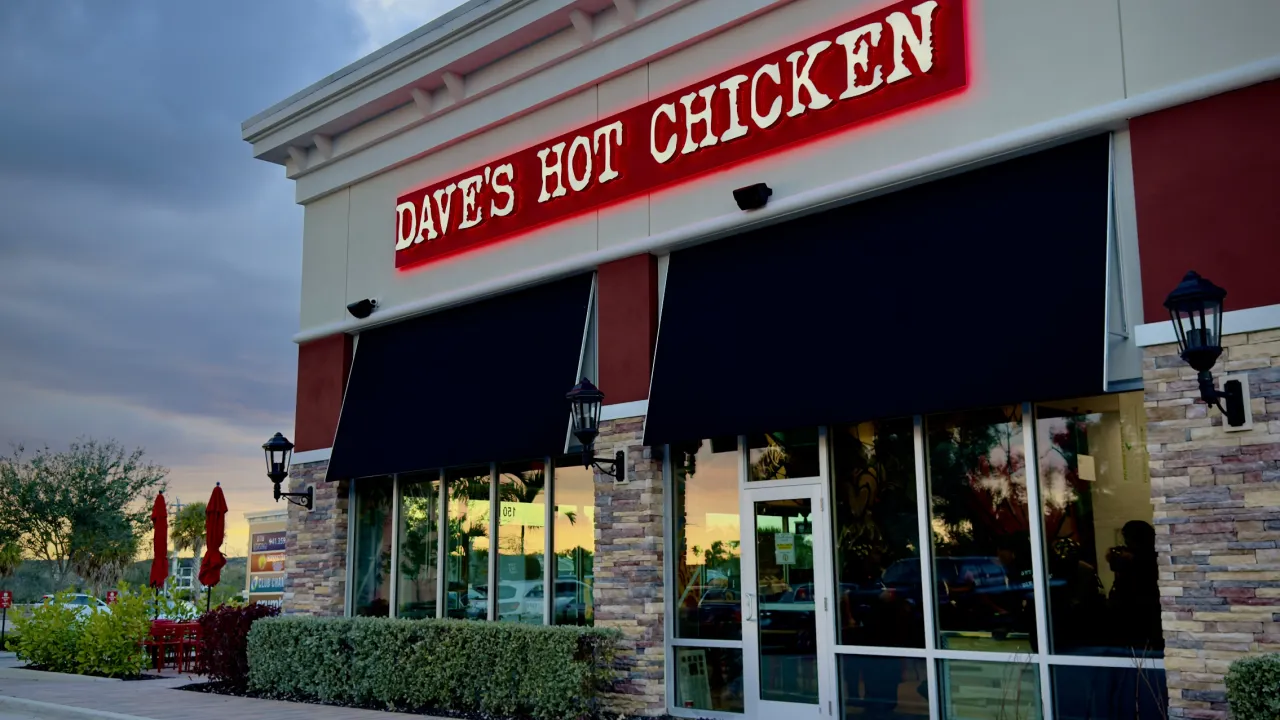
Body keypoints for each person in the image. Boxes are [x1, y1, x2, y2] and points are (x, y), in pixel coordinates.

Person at [1106, 520, 1164, 652]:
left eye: (1128, 537)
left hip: (1145, 607)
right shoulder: (1135, 554)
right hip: (1129, 608)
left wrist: (1132, 560)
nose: (1126, 541)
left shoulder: (1151, 556)